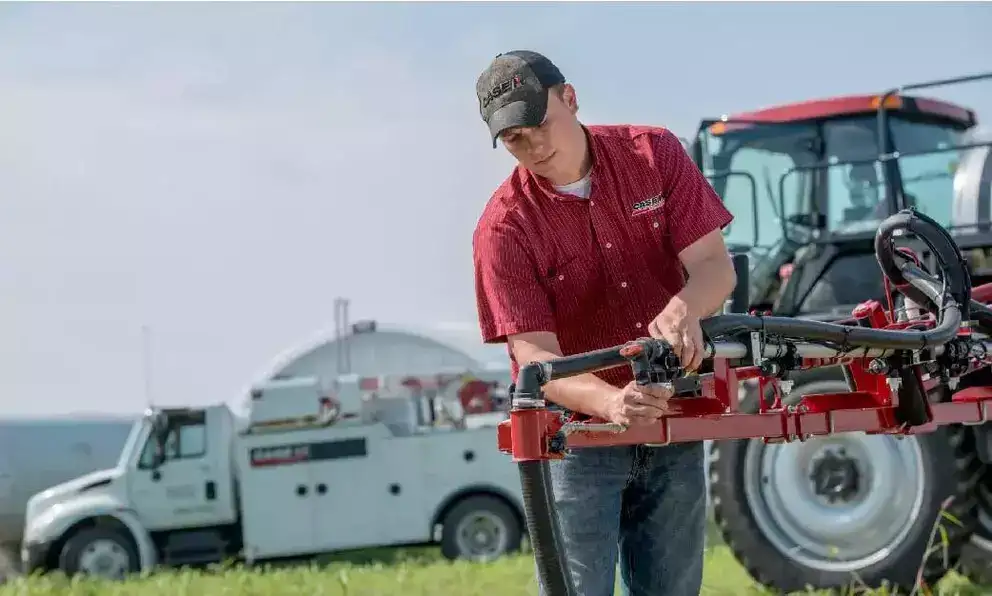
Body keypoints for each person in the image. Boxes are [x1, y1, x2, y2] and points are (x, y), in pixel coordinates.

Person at [471, 50, 738, 596]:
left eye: (540, 124)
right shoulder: (502, 230)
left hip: (671, 414)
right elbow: (537, 362)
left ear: (570, 99)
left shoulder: (653, 153)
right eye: (515, 139)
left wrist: (686, 307)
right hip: (576, 439)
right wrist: (614, 405)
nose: (534, 147)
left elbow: (714, 266)